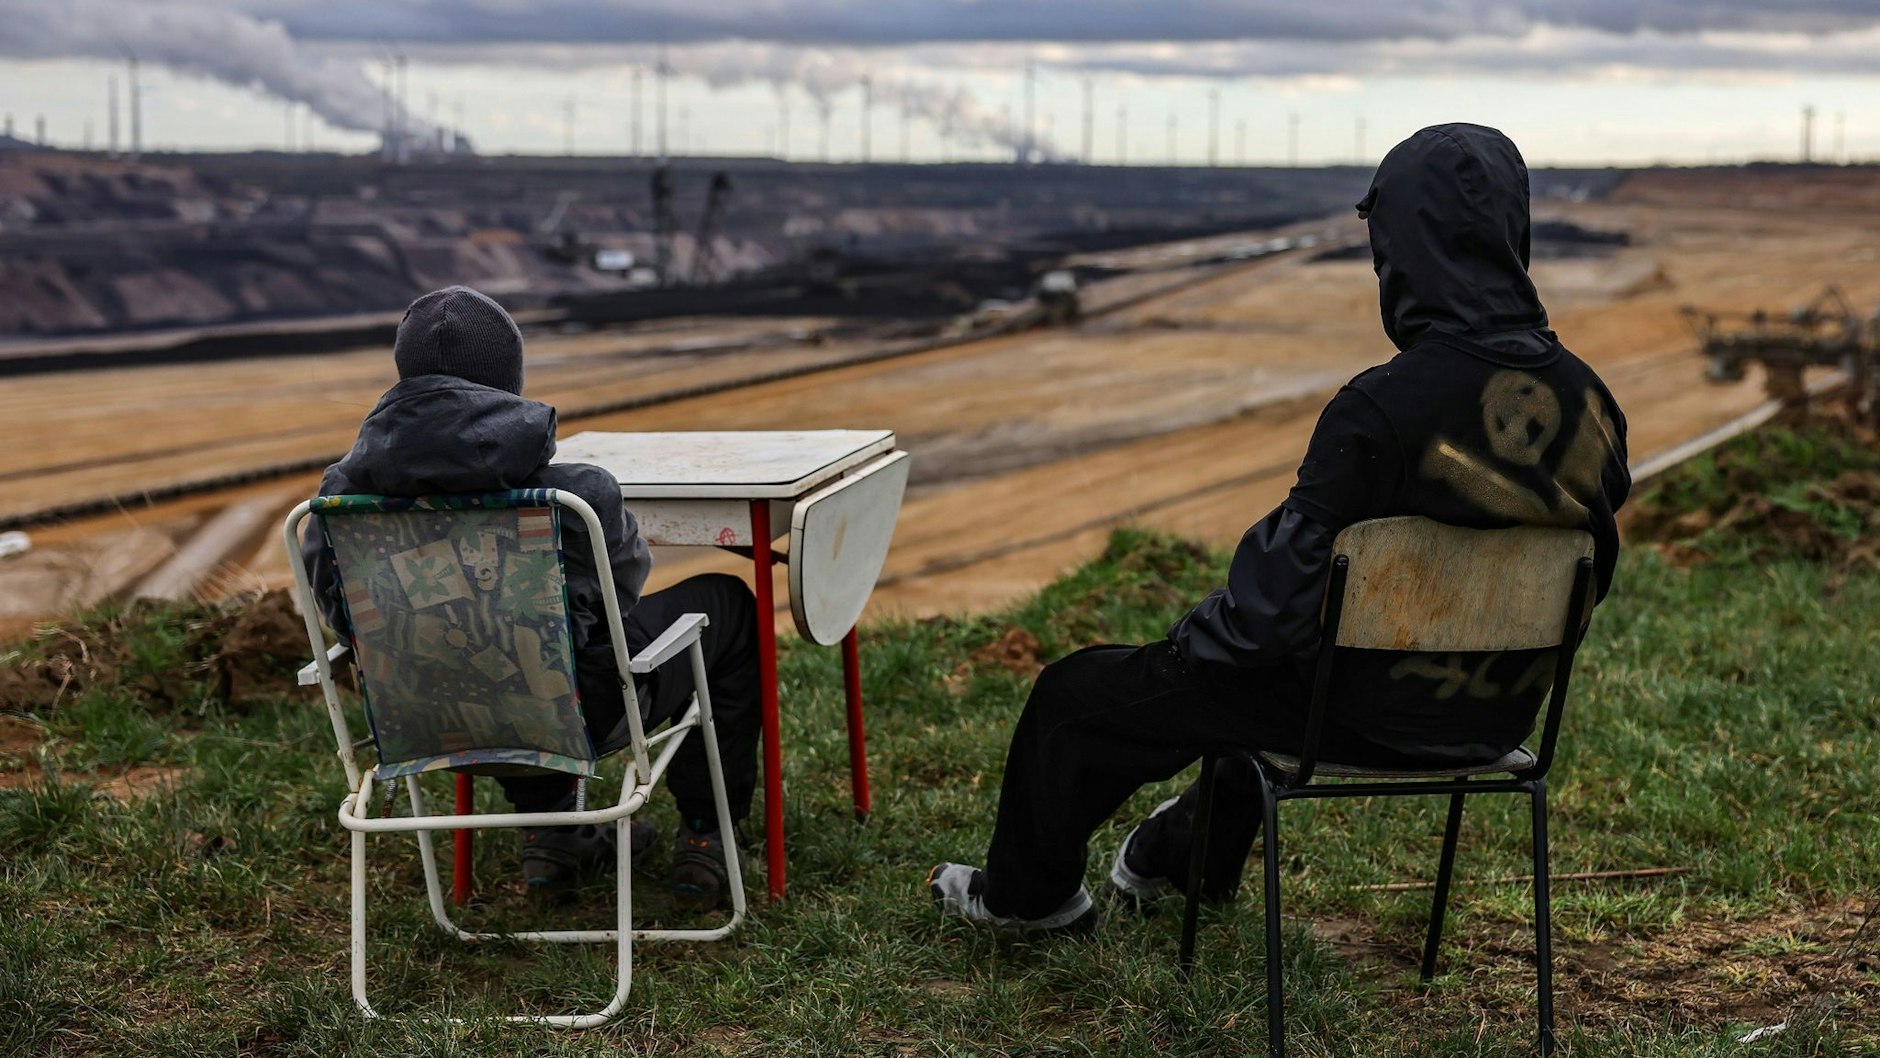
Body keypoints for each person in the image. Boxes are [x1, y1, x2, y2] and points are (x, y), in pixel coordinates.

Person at [929, 123, 1631, 931]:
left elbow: (1264, 622)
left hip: (1349, 713)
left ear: (1400, 248)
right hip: (1496, 719)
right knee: (1264, 682)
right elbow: (1590, 577)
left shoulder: (1381, 406)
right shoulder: (1595, 404)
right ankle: (1177, 856)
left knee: (1076, 697)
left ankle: (1027, 902)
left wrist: (1184, 648)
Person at [302, 285, 760, 906]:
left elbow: (341, 616)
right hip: (585, 719)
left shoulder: (336, 502)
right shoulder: (573, 495)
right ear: (505, 381)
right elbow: (619, 598)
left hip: (420, 722)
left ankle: (552, 834)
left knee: (492, 653)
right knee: (724, 602)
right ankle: (707, 836)